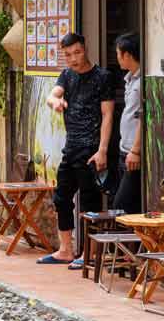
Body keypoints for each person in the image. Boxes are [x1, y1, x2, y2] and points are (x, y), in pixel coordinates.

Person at [38, 33, 114, 267]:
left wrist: (102, 150)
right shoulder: (67, 75)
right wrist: (55, 102)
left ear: (85, 49)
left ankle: (88, 254)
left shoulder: (103, 77)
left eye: (77, 53)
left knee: (90, 202)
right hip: (71, 147)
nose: (73, 58)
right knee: (61, 198)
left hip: (91, 147)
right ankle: (66, 249)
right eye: (68, 54)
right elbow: (53, 95)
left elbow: (108, 114)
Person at [112, 33, 143, 214]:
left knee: (121, 206)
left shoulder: (141, 83)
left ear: (127, 55)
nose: (117, 58)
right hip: (124, 151)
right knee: (128, 207)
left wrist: (135, 150)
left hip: (133, 153)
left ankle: (130, 243)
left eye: (118, 54)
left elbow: (142, 118)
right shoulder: (129, 79)